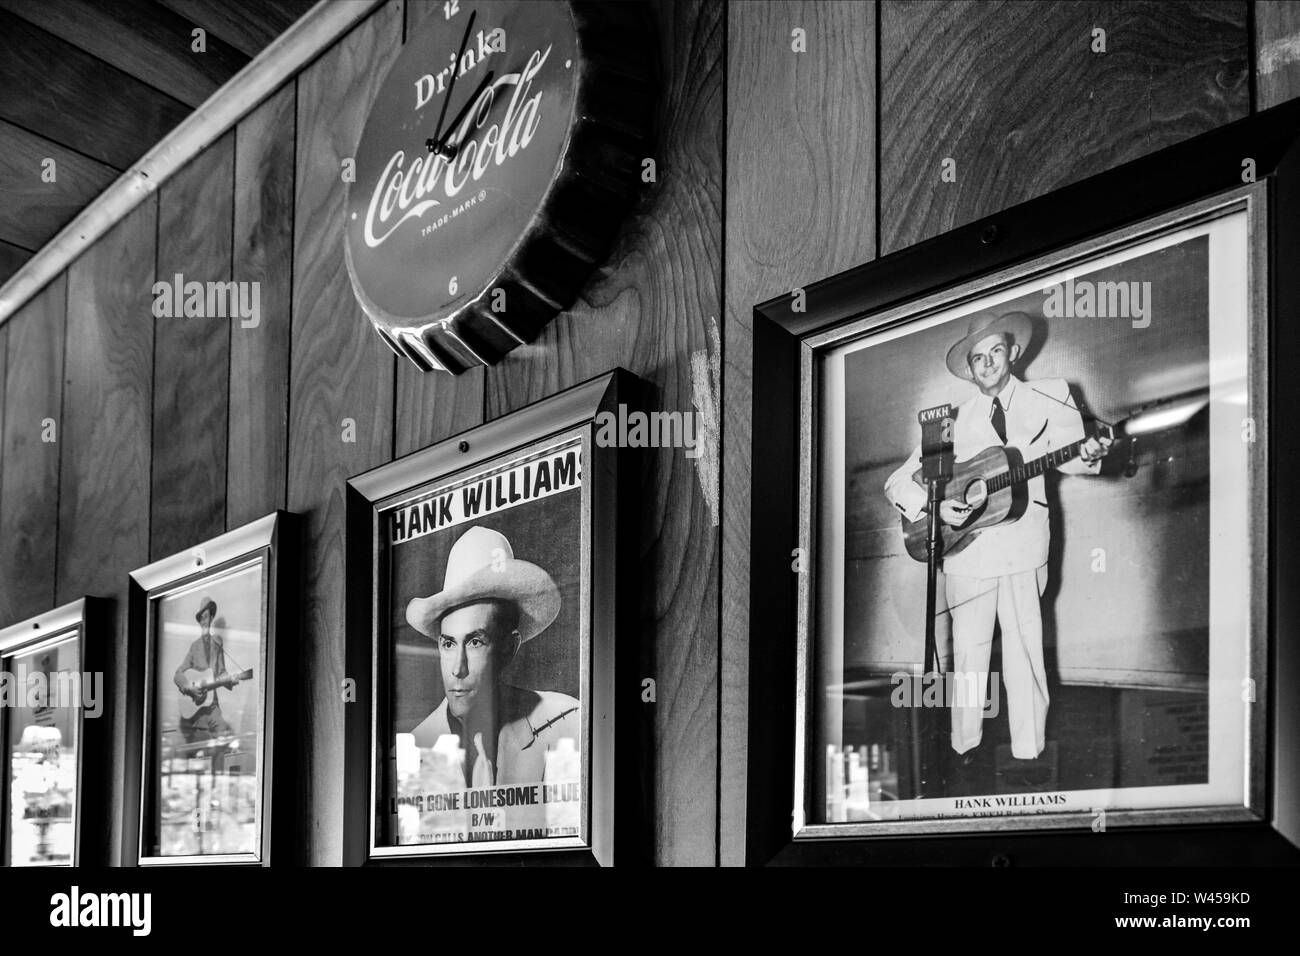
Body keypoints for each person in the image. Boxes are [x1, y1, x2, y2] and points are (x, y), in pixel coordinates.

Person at [883, 311, 1112, 763]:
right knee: (969, 656)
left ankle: (1031, 753)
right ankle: (963, 748)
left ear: (1014, 353)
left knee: (1025, 652)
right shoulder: (949, 421)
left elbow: (1072, 457)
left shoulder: (1053, 396)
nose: (987, 363)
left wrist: (1091, 451)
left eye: (995, 351)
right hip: (967, 552)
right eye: (977, 358)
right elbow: (897, 483)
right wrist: (933, 505)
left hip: (1025, 546)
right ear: (969, 370)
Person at [405, 526, 579, 787]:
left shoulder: (567, 723)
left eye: (475, 642)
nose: (457, 669)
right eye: (449, 643)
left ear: (509, 648)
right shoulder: (414, 749)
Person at [173, 597, 240, 744]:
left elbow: (222, 672)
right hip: (198, 708)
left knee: (225, 737)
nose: (204, 621)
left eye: (207, 617)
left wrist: (231, 680)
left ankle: (218, 766)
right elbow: (178, 674)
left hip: (213, 706)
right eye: (201, 618)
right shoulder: (194, 647)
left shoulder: (217, 644)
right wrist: (189, 688)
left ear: (211, 618)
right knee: (202, 743)